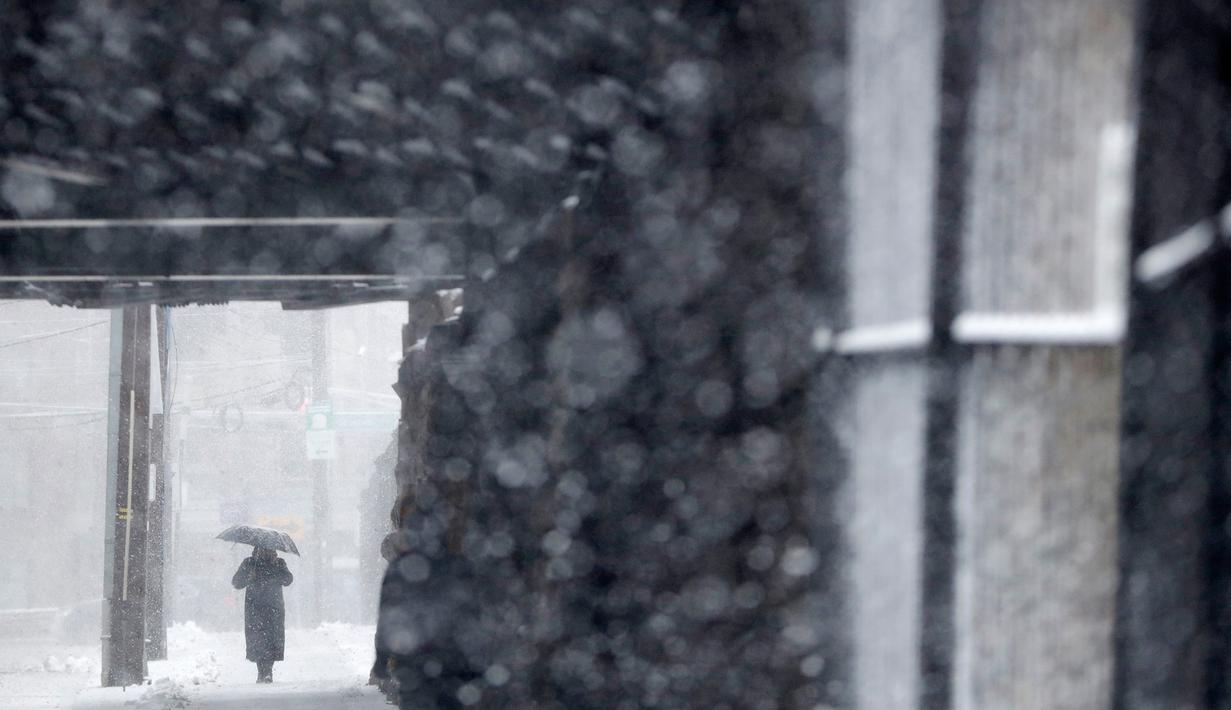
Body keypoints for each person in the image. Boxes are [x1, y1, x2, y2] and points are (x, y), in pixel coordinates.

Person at [232, 546, 293, 683]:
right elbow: (236, 582)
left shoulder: (278, 563)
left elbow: (288, 579)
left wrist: (276, 573)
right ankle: (262, 671)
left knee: (272, 638)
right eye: (264, 550)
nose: (268, 552)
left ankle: (268, 671)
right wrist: (249, 577)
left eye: (270, 550)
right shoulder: (249, 563)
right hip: (255, 608)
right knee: (258, 639)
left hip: (274, 608)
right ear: (257, 549)